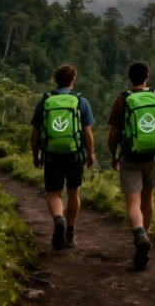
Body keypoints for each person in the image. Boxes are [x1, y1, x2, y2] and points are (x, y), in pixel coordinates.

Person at [107, 62, 155, 270]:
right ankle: (144, 236)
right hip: (152, 158)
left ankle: (139, 233)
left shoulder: (122, 100)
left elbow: (113, 134)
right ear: (147, 76)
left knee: (133, 202)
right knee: (148, 199)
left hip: (130, 157)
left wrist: (113, 155)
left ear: (130, 78)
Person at [31, 64, 96, 251]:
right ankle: (69, 231)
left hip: (52, 155)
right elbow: (87, 132)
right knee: (74, 192)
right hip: (74, 154)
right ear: (72, 81)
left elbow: (35, 132)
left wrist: (36, 155)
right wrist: (90, 154)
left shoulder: (45, 101)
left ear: (55, 80)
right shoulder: (80, 101)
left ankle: (59, 218)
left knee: (53, 193)